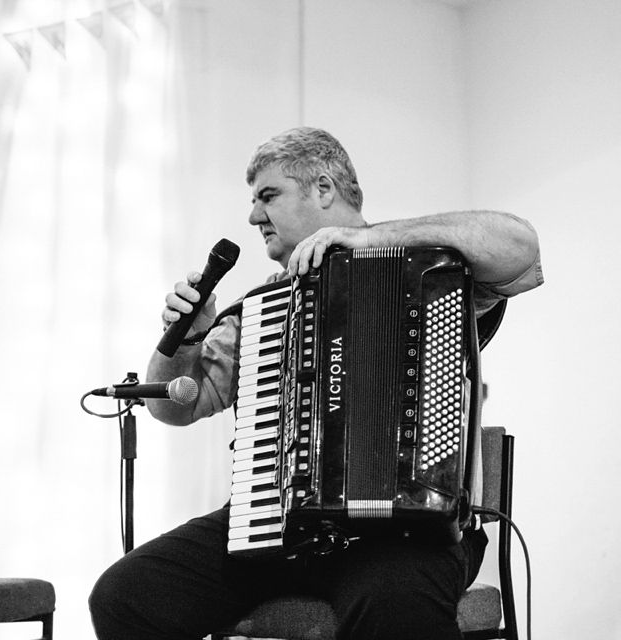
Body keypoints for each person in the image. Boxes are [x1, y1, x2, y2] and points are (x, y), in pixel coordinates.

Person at [88, 126, 543, 640]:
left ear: (323, 189)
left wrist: (372, 239)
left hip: (409, 531)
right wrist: (187, 341)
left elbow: (521, 248)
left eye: (268, 196)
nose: (254, 215)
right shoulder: (263, 309)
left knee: (392, 604)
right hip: (274, 524)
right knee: (127, 596)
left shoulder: (429, 268)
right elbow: (173, 407)